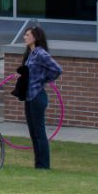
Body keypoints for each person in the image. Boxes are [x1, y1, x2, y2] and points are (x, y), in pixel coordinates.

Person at [19, 25, 63, 170]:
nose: (24, 37)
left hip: (38, 96)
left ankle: (44, 165)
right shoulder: (30, 54)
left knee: (39, 132)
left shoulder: (41, 53)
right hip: (29, 96)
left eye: (27, 35)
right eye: (24, 35)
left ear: (35, 37)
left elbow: (57, 69)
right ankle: (38, 164)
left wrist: (44, 79)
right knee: (33, 132)